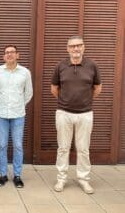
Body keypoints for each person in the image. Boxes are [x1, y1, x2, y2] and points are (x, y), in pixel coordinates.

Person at [51, 35, 102, 194]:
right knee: (63, 148)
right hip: (63, 113)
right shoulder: (60, 66)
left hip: (85, 114)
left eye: (79, 45)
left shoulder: (92, 65)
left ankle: (84, 179)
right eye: (72, 46)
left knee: (83, 149)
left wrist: (83, 101)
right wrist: (67, 101)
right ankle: (61, 179)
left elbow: (97, 88)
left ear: (84, 47)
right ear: (67, 49)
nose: (76, 49)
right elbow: (54, 88)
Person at [0, 45, 33, 188]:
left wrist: (18, 104)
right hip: (1, 114)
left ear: (17, 55)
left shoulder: (25, 72)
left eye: (12, 52)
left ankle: (17, 175)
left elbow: (28, 94)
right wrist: (2, 103)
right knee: (2, 145)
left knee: (18, 145)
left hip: (18, 114)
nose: (9, 55)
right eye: (7, 52)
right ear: (4, 56)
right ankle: (2, 175)